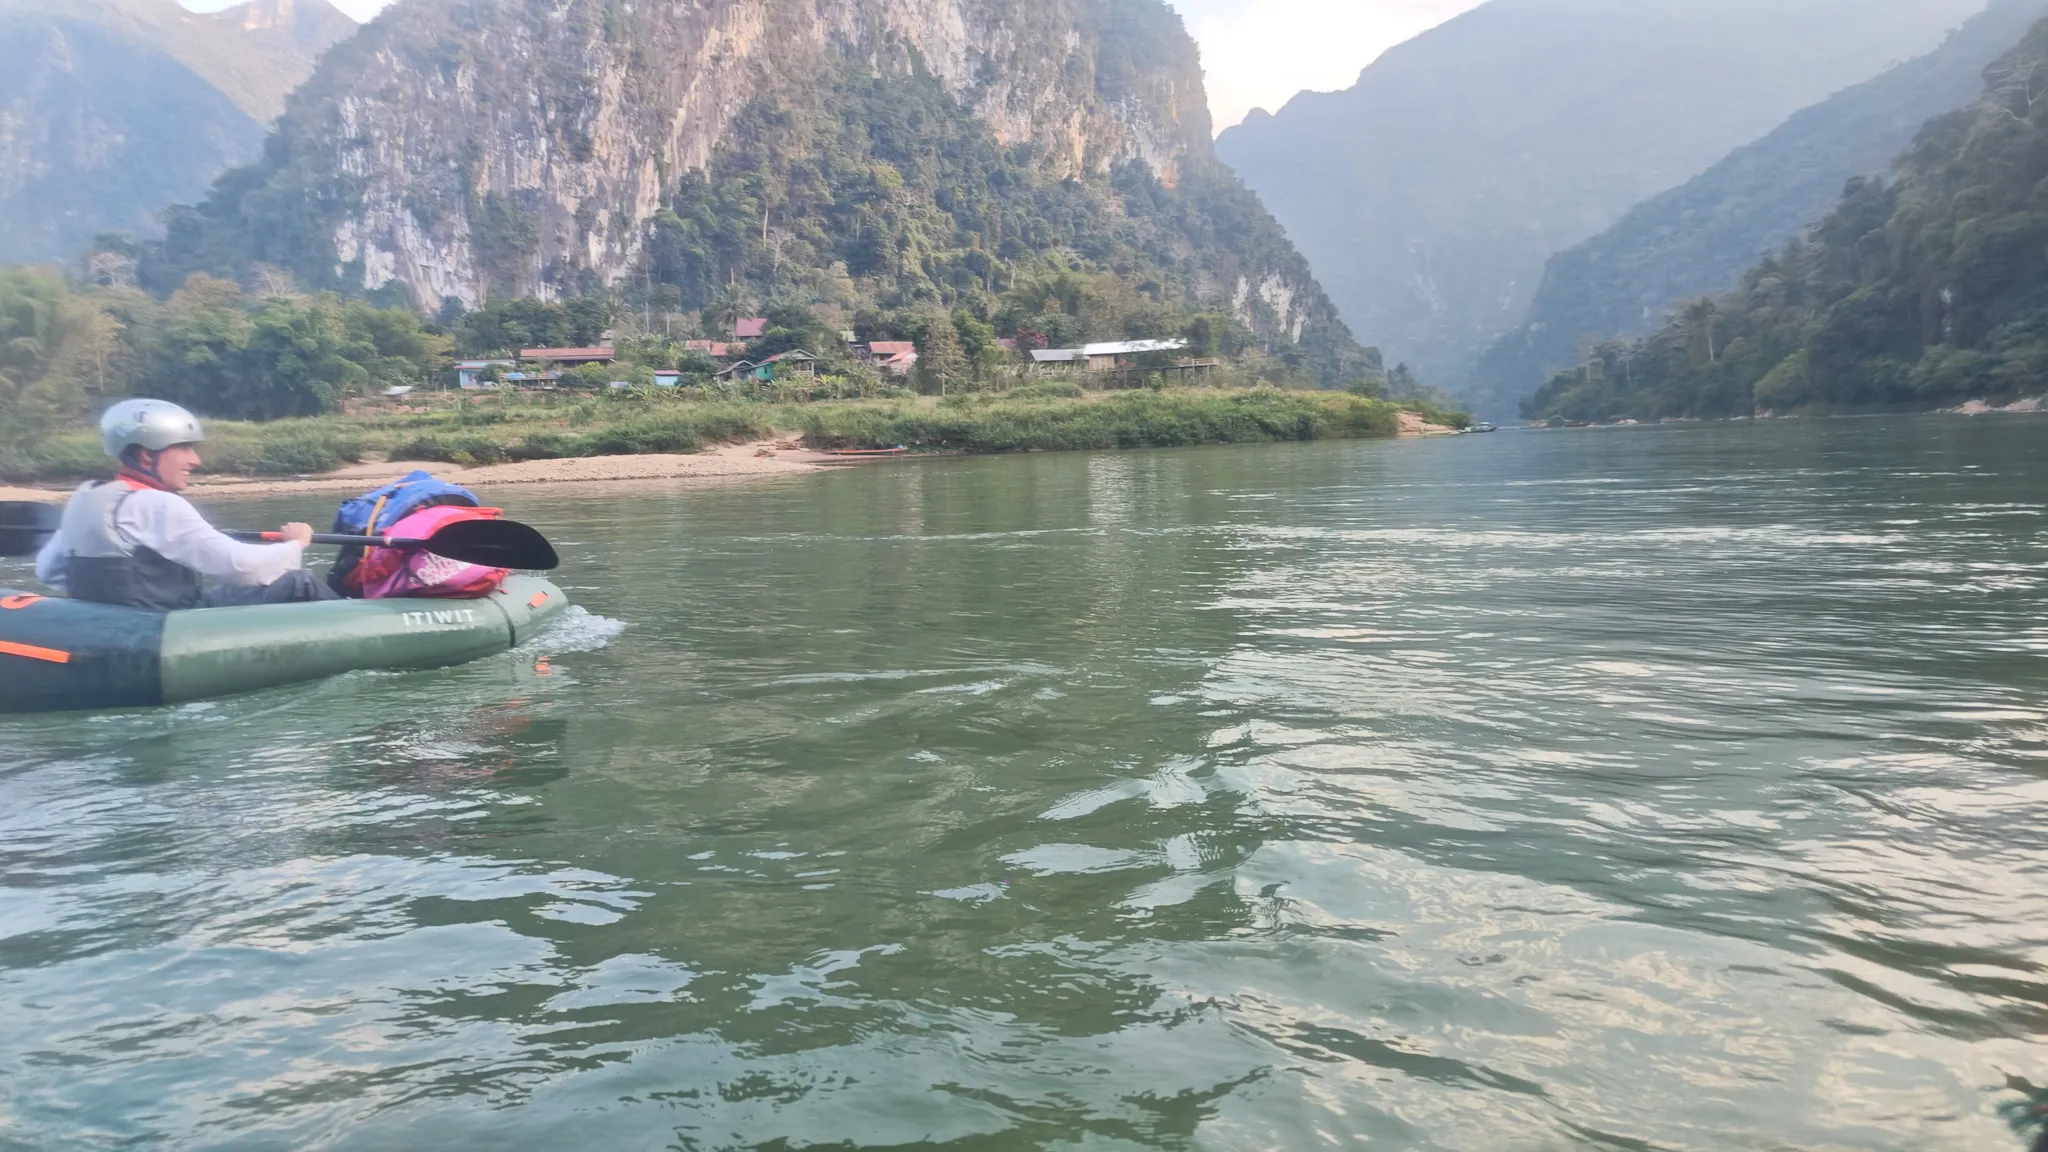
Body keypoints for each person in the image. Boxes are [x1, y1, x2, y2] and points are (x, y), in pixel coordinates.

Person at [35, 399, 339, 609]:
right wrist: (296, 544)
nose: (196, 460)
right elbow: (241, 567)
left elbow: (48, 570)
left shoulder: (85, 496)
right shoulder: (157, 505)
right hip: (169, 625)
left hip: (119, 624)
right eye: (184, 448)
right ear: (145, 455)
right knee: (301, 582)